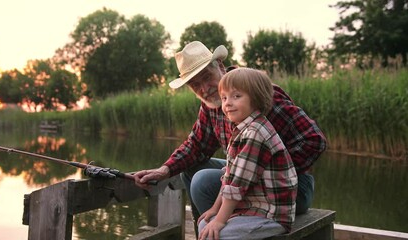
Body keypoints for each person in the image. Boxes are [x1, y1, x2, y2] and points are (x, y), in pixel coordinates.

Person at [134, 41, 326, 236]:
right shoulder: (214, 105)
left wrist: (264, 171)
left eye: (207, 77)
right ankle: (210, 229)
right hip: (246, 179)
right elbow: (196, 146)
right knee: (190, 169)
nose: (204, 89)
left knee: (202, 180)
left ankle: (220, 227)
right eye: (195, 85)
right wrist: (163, 171)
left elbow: (314, 140)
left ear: (220, 66)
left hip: (288, 190)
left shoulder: (258, 93)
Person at [197, 67, 298, 240]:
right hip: (252, 208)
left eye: (236, 96)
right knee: (204, 224)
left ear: (256, 99)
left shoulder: (256, 133)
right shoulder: (242, 130)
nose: (227, 103)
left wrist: (220, 220)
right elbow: (229, 176)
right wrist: (215, 210)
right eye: (224, 98)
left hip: (271, 215)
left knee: (214, 233)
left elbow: (237, 184)